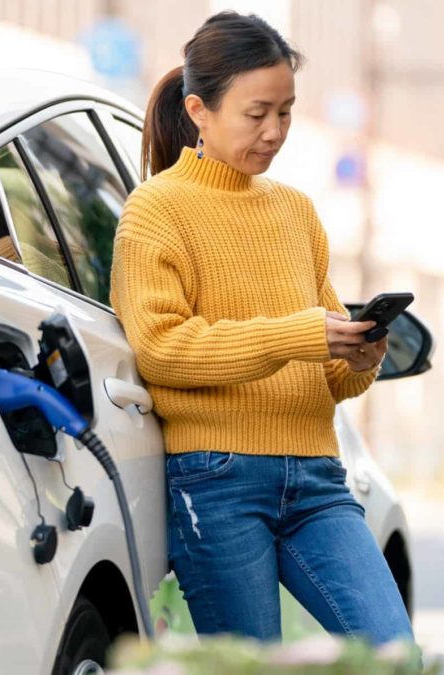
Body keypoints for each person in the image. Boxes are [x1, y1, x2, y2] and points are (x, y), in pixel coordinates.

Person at [109, 11, 412, 645]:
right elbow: (163, 350)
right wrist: (299, 334)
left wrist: (358, 356)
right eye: (257, 114)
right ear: (198, 109)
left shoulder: (296, 211)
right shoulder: (156, 210)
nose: (274, 131)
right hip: (217, 482)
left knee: (394, 654)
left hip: (317, 478)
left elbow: (329, 374)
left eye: (287, 112)